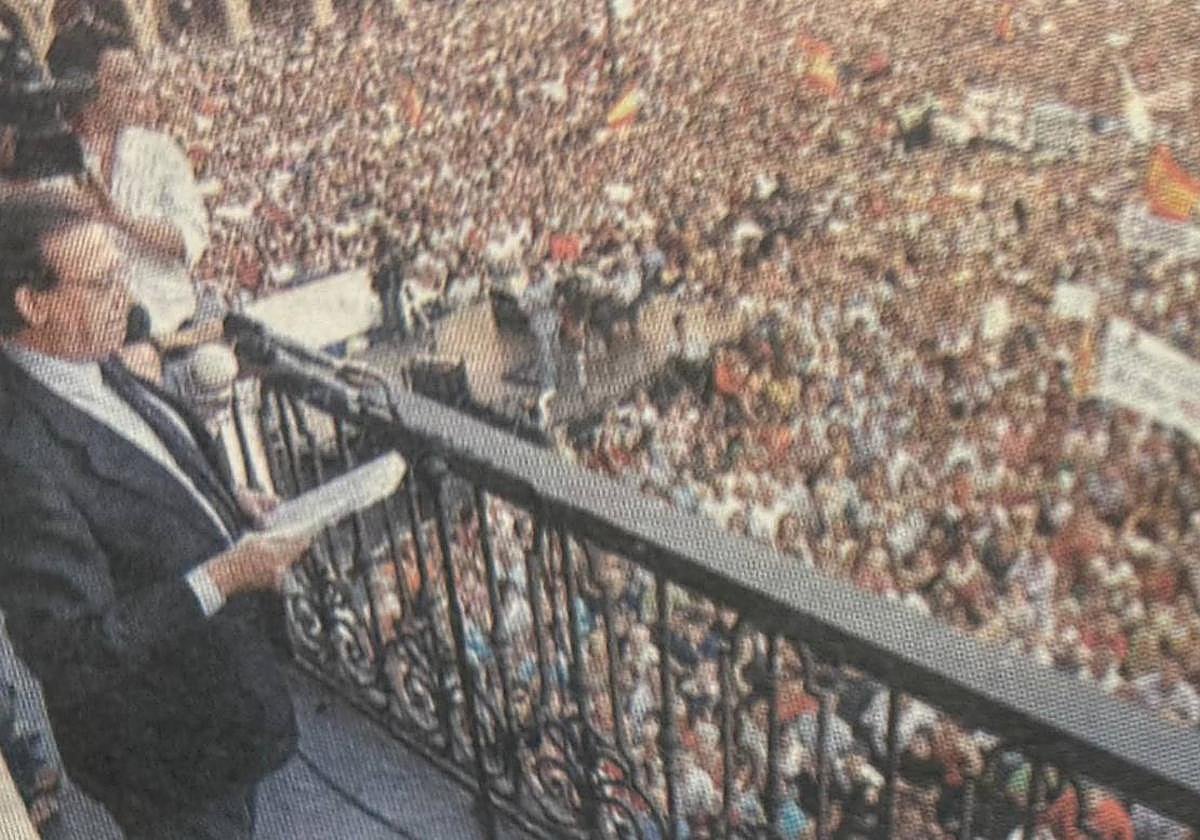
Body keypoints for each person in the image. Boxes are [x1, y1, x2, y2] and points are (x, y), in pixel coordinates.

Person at [0, 193, 312, 839]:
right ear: (34, 303)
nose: (129, 296)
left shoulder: (89, 356)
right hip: (164, 755)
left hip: (217, 714)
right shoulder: (16, 453)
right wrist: (222, 575)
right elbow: (73, 650)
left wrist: (228, 508)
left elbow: (146, 476)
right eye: (104, 281)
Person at [47, 26, 209, 340]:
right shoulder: (49, 165)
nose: (137, 89)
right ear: (82, 89)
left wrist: (119, 220)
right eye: (122, 79)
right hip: (92, 346)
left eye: (136, 76)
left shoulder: (159, 151)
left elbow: (190, 241)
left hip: (176, 326)